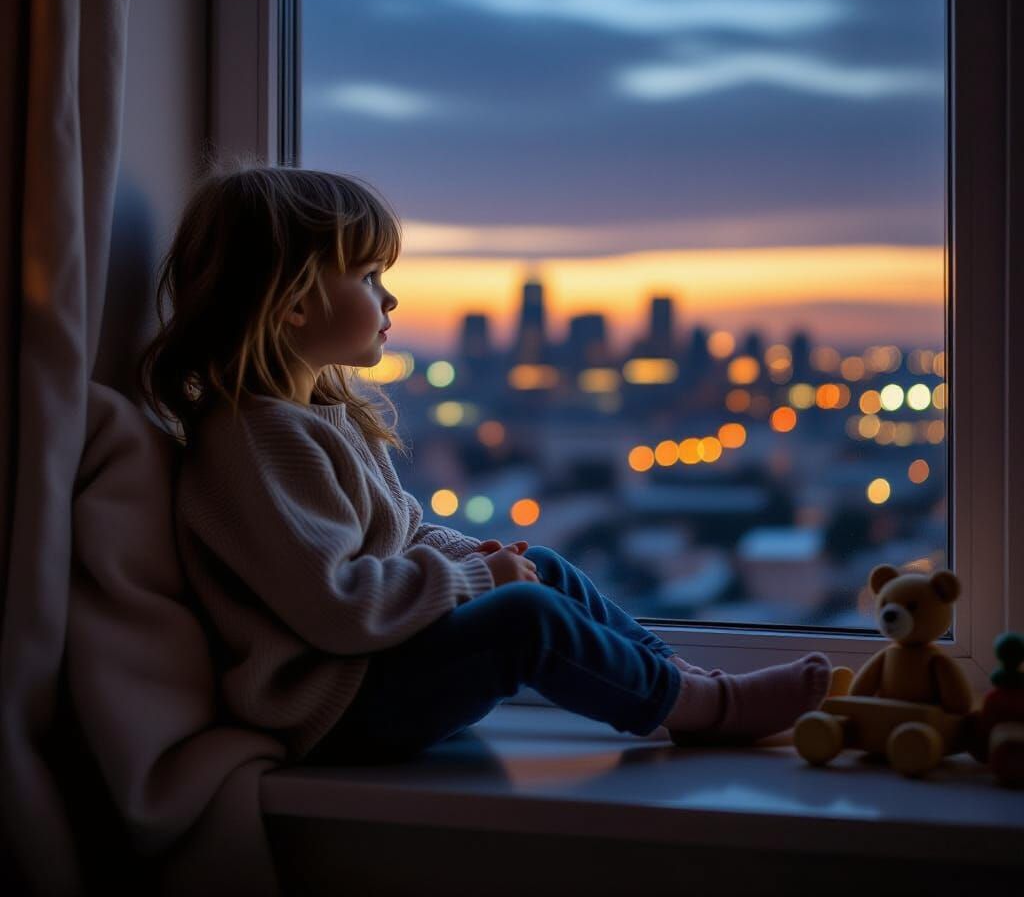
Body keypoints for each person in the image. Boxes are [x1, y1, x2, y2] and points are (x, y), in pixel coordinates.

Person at [138, 163, 831, 765]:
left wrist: (486, 556)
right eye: (369, 275)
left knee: (543, 566)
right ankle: (706, 710)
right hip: (332, 709)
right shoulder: (252, 440)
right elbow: (339, 606)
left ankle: (684, 680)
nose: (390, 299)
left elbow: (404, 535)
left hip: (373, 669)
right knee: (525, 614)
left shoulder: (323, 416)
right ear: (292, 301)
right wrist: (476, 577)